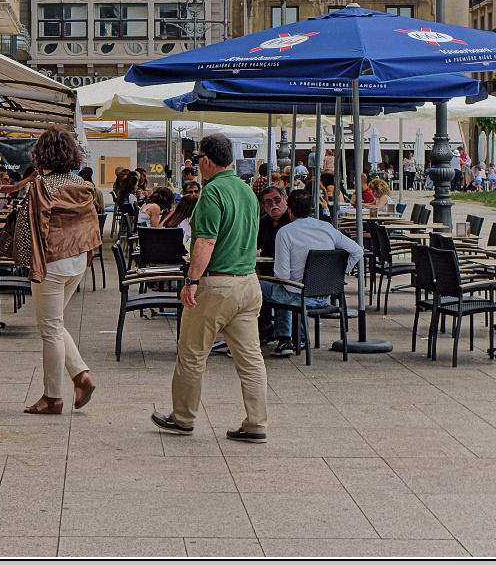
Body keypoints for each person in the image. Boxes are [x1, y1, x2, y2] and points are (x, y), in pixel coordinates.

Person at [152, 133, 268, 443]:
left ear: (205, 161)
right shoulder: (247, 191)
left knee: (191, 353)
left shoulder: (212, 194)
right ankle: (256, 424)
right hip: (248, 283)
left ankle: (182, 418)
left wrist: (191, 281)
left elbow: (205, 241)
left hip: (216, 284)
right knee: (251, 359)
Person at [14, 126, 102, 415]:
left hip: (51, 262)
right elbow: (92, 226)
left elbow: (28, 228)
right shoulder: (83, 186)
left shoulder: (41, 187)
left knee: (50, 328)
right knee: (54, 322)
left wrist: (22, 259)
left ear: (41, 155)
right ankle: (81, 376)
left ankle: (52, 397)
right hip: (77, 261)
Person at [259, 189, 364, 356]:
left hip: (299, 297)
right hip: (325, 295)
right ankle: (296, 337)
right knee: (284, 288)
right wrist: (336, 275)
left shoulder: (285, 232)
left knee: (259, 286)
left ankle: (275, 337)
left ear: (290, 210)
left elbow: (282, 276)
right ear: (312, 210)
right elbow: (357, 251)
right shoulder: (326, 228)